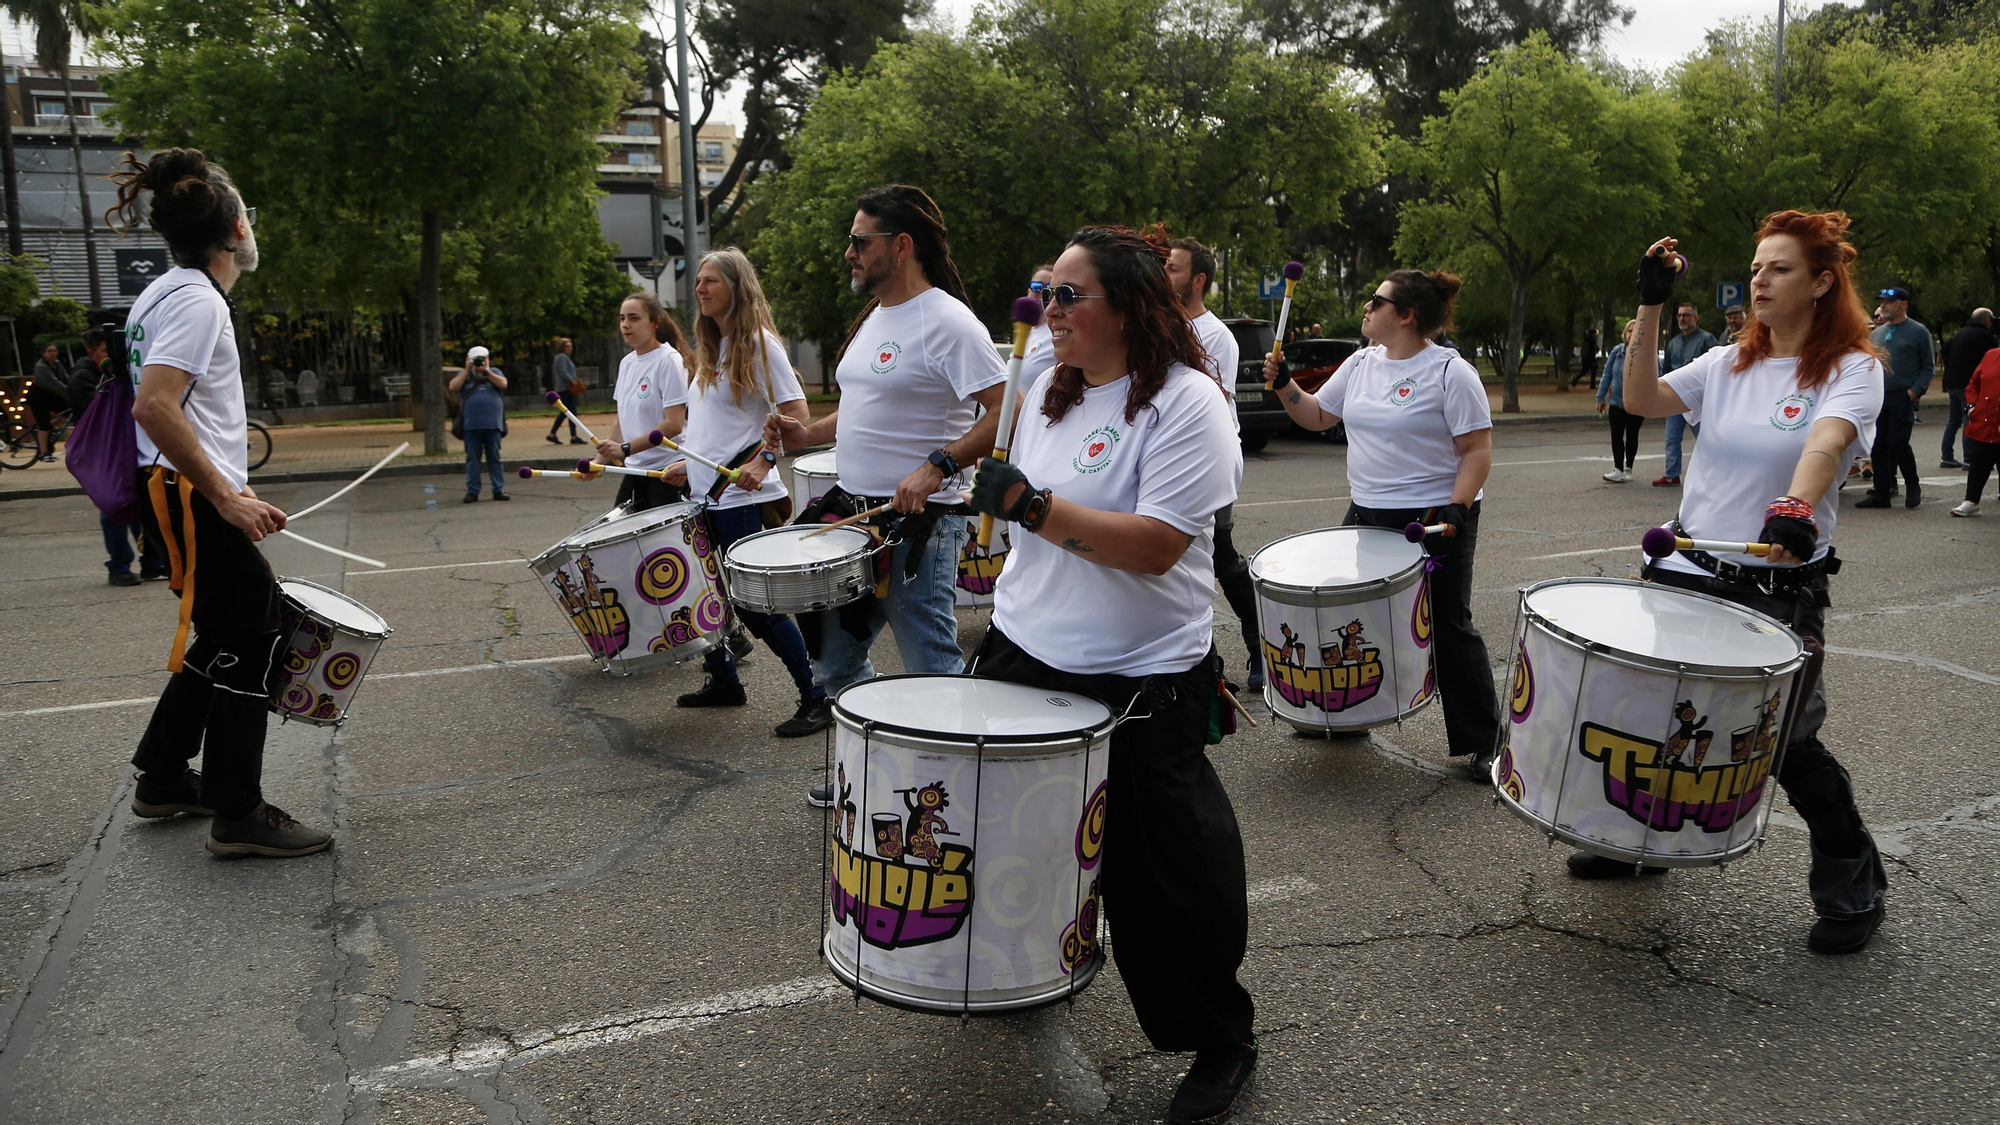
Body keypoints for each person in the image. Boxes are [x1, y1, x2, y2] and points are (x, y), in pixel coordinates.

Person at [966, 224, 1254, 1125]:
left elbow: (1159, 545)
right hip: (1023, 650)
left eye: (1068, 294)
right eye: (1045, 292)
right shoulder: (1048, 393)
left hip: (1137, 680)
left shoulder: (1186, 403)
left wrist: (1033, 508)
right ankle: (1027, 971)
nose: (1048, 308)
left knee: (1162, 879)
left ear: (1126, 307)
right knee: (1018, 841)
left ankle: (1220, 1036)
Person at [1610, 213, 1889, 954]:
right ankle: (1637, 841)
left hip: (1777, 590)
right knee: (1660, 717)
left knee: (1786, 743)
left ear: (1822, 283)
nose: (1760, 280)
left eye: (1780, 268)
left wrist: (1796, 505)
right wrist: (1650, 304)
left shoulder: (1852, 369)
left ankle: (1853, 880)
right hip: (1684, 570)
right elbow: (1641, 400)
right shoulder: (1726, 362)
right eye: (1757, 267)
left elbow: (1828, 438)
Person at [108, 146, 332, 857]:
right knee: (253, 632)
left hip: (178, 489)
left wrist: (231, 482)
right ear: (235, 229)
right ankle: (237, 811)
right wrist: (223, 497)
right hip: (186, 495)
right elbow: (154, 405)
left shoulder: (163, 291)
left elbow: (183, 410)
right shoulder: (199, 301)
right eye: (249, 217)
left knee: (228, 629)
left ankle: (163, 775)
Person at [763, 184, 1007, 769]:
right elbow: (864, 407)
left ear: (900, 246)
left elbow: (1007, 410)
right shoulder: (875, 316)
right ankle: (873, 778)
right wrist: (806, 435)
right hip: (854, 513)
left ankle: (956, 788)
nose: (849, 252)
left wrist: (938, 465)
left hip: (921, 523)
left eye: (859, 241)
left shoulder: (949, 321)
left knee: (931, 664)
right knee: (835, 662)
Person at [1263, 269, 1501, 774]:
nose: (1367, 308)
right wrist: (1285, 385)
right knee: (1353, 618)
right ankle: (1347, 713)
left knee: (1446, 625)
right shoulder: (1360, 363)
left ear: (1407, 315)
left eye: (1377, 300)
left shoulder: (1450, 372)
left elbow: (1476, 450)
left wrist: (1458, 505)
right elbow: (1318, 416)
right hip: (1368, 510)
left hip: (1434, 516)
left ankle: (1485, 742)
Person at [668, 247, 828, 736]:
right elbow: (717, 424)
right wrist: (688, 460)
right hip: (705, 494)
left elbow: (796, 414)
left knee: (756, 606)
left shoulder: (759, 344)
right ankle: (724, 680)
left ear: (736, 288)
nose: (700, 288)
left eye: (710, 281)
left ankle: (816, 695)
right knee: (708, 593)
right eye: (698, 280)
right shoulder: (713, 348)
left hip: (740, 496)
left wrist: (765, 460)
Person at [1166, 236, 1260, 690]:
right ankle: (1204, 662)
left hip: (1206, 460)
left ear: (1198, 279)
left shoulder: (1215, 335)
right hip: (1166, 458)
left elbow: (1210, 406)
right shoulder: (1158, 325)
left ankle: (1262, 645)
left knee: (1218, 555)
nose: (1165, 275)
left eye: (1174, 269)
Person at [67, 328, 168, 585]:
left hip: (123, 447)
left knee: (138, 503)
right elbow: (104, 413)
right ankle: (119, 566)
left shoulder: (113, 373)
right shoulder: (83, 377)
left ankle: (151, 562)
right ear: (92, 353)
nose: (112, 356)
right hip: (104, 452)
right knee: (113, 507)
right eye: (105, 351)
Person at [585, 292, 691, 511]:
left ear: (655, 323)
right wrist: (598, 463)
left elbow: (674, 424)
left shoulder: (669, 360)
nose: (626, 324)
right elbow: (622, 421)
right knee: (617, 531)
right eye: (622, 318)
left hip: (667, 473)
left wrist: (625, 449)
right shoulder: (626, 363)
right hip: (635, 471)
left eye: (634, 318)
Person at [1855, 285, 1933, 509]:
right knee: (1877, 445)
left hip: (1902, 396)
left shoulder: (1919, 332)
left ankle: (1912, 485)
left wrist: (1913, 392)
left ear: (1903, 304)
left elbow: (1927, 367)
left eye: (1889, 302)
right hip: (1878, 396)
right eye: (1882, 302)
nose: (1883, 306)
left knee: (1898, 443)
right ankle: (1882, 493)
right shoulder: (1877, 333)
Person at [1655, 303, 1719, 486]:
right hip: (1675, 396)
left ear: (1696, 318)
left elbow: (1716, 367)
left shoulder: (1706, 339)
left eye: (1686, 315)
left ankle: (1713, 474)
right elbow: (1667, 369)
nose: (1682, 319)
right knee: (1672, 438)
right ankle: (1671, 474)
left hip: (1699, 398)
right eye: (1680, 315)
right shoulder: (1673, 343)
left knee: (1705, 438)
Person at [449, 346, 509, 503]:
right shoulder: (465, 376)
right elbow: (453, 387)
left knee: (494, 458)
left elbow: (503, 384)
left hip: (493, 425)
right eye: (476, 359)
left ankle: (498, 489)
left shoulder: (494, 372)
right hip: (471, 426)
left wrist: (486, 372)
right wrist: (467, 370)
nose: (480, 362)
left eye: (483, 359)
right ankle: (473, 491)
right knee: (473, 459)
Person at [1938, 308, 1993, 470]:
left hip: (1953, 382)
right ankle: (1969, 458)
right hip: (1968, 384)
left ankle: (1946, 455)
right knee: (1969, 419)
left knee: (1953, 420)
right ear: (1987, 320)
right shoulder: (1985, 336)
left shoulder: (1960, 333)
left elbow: (1944, 349)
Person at [1952, 343, 2000, 516]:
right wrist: (1972, 406)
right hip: (1987, 420)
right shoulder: (1991, 355)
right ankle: (1971, 501)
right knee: (1979, 461)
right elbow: (1973, 384)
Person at [1595, 320, 1642, 482]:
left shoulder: (1647, 354)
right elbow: (1607, 375)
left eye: (1635, 331)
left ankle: (1628, 467)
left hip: (1636, 402)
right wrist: (1600, 397)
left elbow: (1657, 377)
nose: (1632, 334)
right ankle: (1618, 469)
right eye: (1629, 331)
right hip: (1616, 401)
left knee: (1632, 435)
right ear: (1625, 334)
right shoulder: (1617, 352)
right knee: (1616, 434)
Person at [26, 342, 67, 462]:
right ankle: (43, 453)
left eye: (54, 351)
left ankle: (51, 428)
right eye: (49, 351)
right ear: (44, 353)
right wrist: (69, 390)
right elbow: (54, 382)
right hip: (38, 396)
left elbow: (65, 378)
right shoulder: (41, 366)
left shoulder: (57, 364)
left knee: (70, 409)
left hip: (51, 395)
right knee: (43, 424)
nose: (52, 353)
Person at [1021, 260, 1059, 384]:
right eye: (1037, 287)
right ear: (1028, 293)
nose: (1042, 293)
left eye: (1049, 288)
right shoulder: (1025, 331)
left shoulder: (1058, 332)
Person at [547, 337, 585, 445]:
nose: (570, 348)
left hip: (564, 388)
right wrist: (573, 381)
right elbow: (563, 372)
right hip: (565, 388)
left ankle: (552, 434)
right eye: (567, 346)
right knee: (571, 412)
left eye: (570, 345)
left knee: (565, 412)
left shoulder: (562, 357)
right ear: (562, 347)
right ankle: (573, 437)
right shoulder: (562, 357)